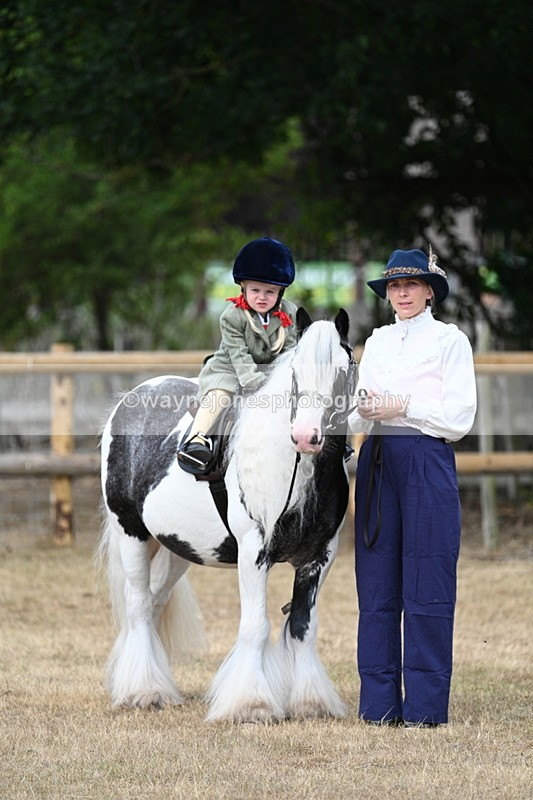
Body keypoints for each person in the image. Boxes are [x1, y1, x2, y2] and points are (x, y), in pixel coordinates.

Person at [348, 247, 477, 728]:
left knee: (427, 578)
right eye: (394, 287)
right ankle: (378, 705)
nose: (401, 294)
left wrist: (402, 406)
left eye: (410, 286)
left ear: (429, 291)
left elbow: (459, 418)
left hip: (426, 457)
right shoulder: (377, 341)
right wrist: (369, 409)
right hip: (379, 459)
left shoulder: (450, 341)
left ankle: (424, 709)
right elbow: (362, 404)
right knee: (377, 581)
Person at [178, 236, 298, 474]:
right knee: (220, 395)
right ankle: (197, 439)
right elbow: (239, 355)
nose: (262, 297)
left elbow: (290, 351)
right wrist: (256, 384)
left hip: (273, 372)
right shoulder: (231, 316)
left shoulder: (290, 312)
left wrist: (280, 382)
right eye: (255, 290)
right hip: (231, 368)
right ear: (243, 287)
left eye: (270, 291)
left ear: (280, 292)